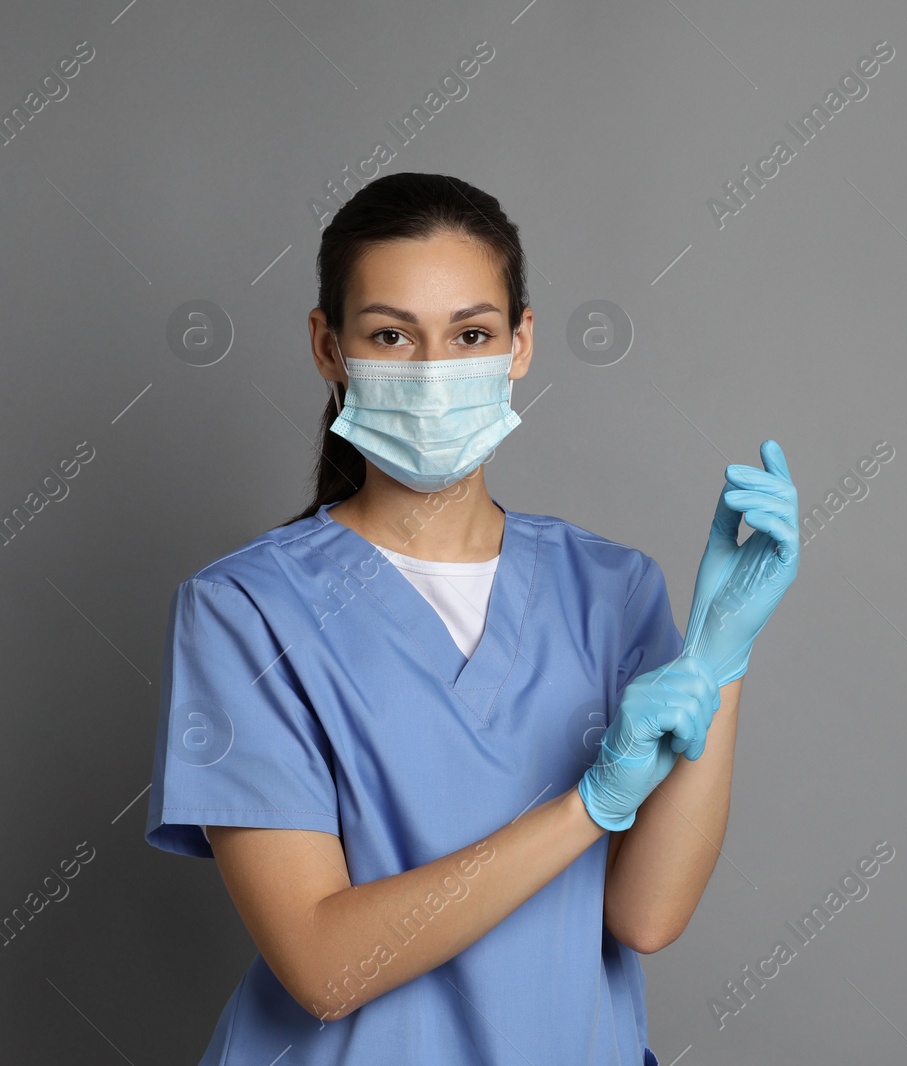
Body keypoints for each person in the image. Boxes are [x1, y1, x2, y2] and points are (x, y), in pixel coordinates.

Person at [143, 171, 800, 1065]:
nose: (433, 373)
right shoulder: (247, 610)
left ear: (520, 344)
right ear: (328, 348)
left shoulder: (610, 590)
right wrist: (590, 807)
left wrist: (720, 658)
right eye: (390, 335)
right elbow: (326, 965)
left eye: (471, 334)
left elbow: (645, 918)